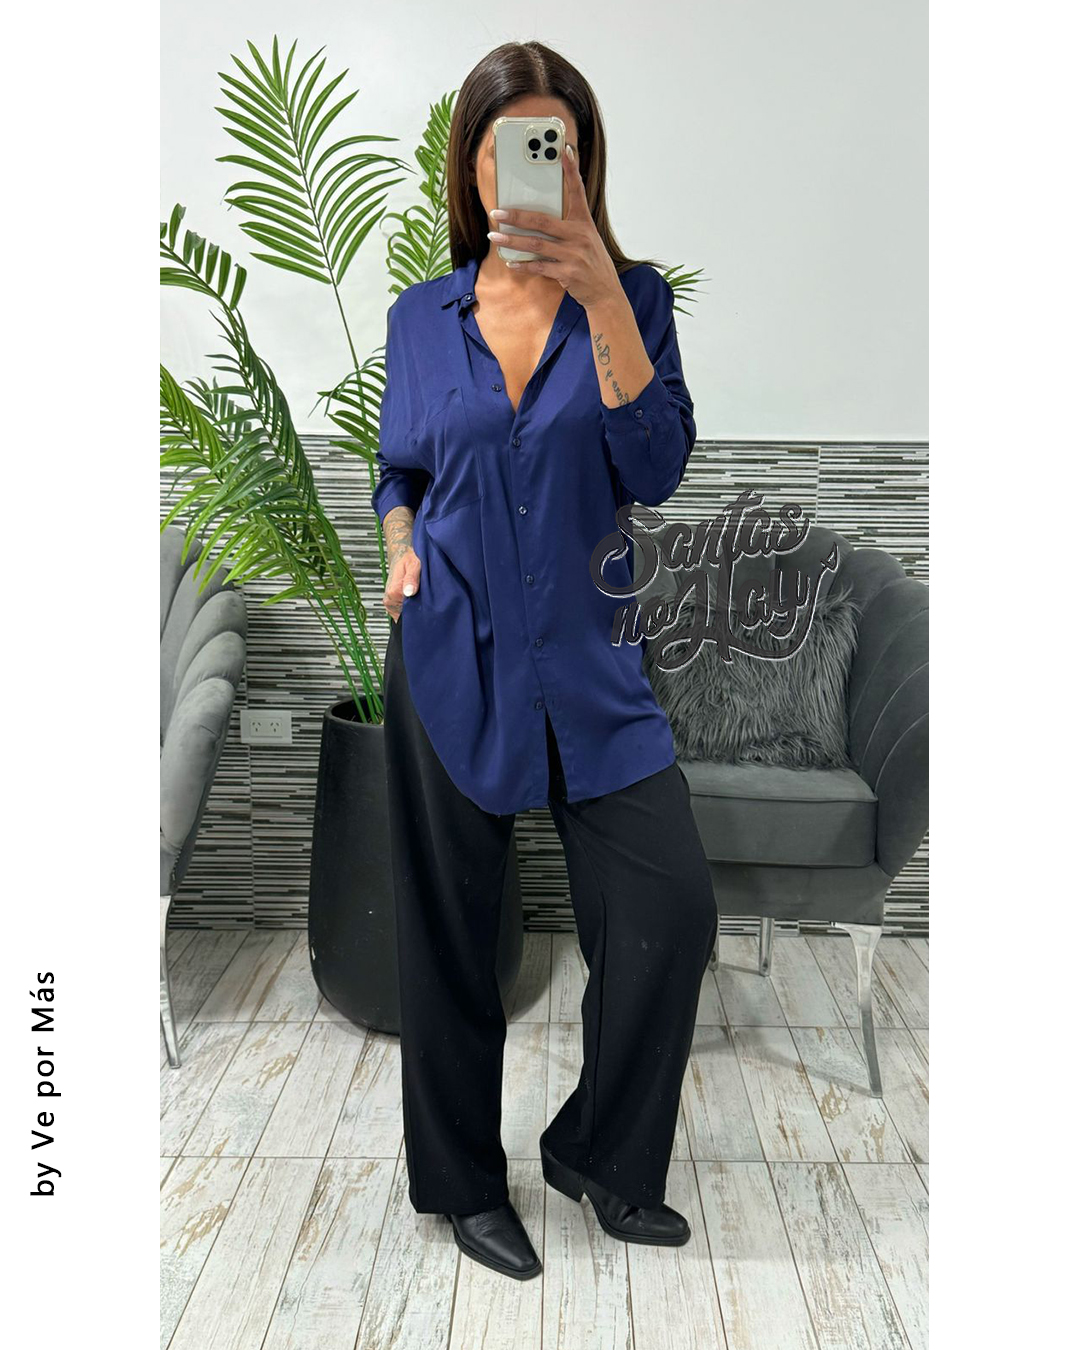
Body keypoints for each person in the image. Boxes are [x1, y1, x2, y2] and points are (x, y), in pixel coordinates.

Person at [373, 40, 718, 1282]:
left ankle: (599, 1154)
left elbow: (655, 468)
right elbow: (398, 469)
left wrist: (605, 296)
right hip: (450, 652)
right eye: (509, 144)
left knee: (671, 909)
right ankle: (466, 1187)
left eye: (553, 145)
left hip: (590, 662)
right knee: (452, 935)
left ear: (580, 161)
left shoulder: (636, 299)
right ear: (472, 165)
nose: (531, 164)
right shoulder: (422, 318)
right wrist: (399, 548)